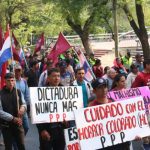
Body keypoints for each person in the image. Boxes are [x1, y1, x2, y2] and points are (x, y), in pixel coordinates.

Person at [88, 78, 130, 150]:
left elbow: (123, 123)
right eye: (100, 88)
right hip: (103, 144)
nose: (104, 90)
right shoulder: (91, 107)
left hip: (118, 143)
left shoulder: (114, 103)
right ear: (94, 91)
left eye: (105, 86)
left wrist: (134, 134)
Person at [36, 68, 66, 150]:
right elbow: (37, 113)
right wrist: (42, 130)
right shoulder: (41, 92)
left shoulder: (65, 91)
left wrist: (67, 121)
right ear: (48, 78)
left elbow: (68, 109)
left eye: (58, 76)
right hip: (46, 130)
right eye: (54, 76)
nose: (57, 78)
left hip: (59, 129)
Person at [0, 72, 26, 150]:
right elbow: (0, 112)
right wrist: (13, 118)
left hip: (18, 125)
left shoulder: (18, 91)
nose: (11, 83)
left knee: (21, 146)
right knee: (8, 147)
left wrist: (22, 108)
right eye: (8, 81)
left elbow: (24, 103)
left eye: (12, 80)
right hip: (6, 125)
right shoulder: (1, 94)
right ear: (5, 81)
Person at [15, 64, 30, 135]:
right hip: (14, 108)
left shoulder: (24, 81)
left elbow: (27, 95)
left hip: (23, 108)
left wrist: (26, 106)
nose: (17, 72)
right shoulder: (12, 81)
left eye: (19, 71)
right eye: (16, 71)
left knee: (26, 127)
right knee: (15, 128)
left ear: (21, 71)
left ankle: (20, 139)